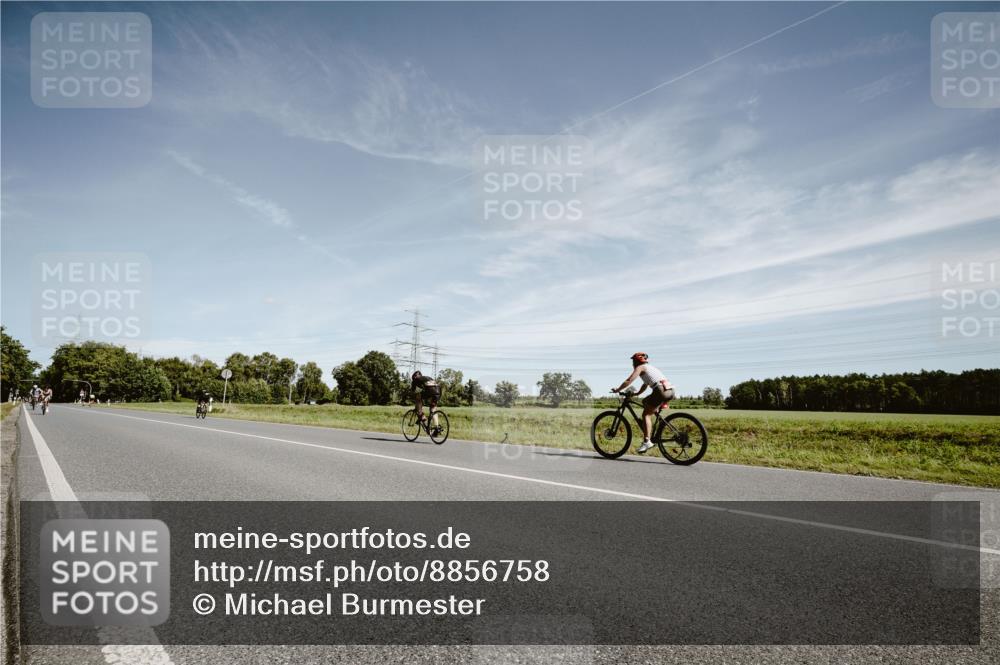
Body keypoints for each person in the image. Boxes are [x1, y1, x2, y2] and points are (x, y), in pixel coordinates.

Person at [611, 352, 676, 454]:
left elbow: (629, 380)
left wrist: (618, 389)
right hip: (670, 390)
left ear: (636, 362)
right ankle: (653, 424)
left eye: (633, 362)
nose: (632, 364)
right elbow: (645, 385)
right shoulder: (649, 368)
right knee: (645, 401)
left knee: (646, 414)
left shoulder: (640, 368)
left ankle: (647, 441)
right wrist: (637, 393)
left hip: (660, 391)